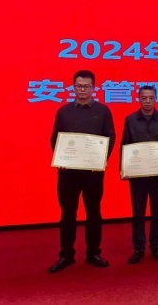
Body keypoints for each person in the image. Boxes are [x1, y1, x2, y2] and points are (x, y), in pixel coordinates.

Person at [49, 70, 116, 273]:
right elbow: (55, 138)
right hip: (68, 172)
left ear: (93, 88)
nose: (82, 90)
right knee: (68, 213)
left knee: (93, 212)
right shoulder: (64, 111)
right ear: (73, 87)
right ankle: (66, 255)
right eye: (79, 86)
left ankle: (93, 252)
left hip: (93, 172)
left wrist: (101, 159)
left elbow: (110, 137)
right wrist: (61, 158)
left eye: (86, 86)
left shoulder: (103, 111)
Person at [121, 85, 158, 264]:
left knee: (157, 212)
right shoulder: (130, 120)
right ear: (139, 99)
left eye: (151, 98)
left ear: (155, 99)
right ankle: (138, 247)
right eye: (144, 98)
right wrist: (124, 168)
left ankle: (156, 245)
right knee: (138, 212)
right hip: (138, 174)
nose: (147, 101)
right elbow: (125, 145)